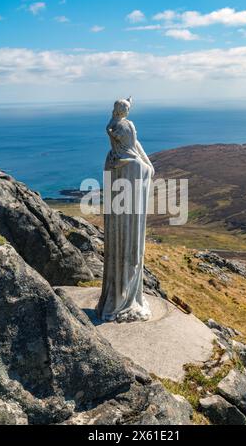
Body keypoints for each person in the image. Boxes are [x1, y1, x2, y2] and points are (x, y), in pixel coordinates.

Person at [96, 97, 154, 323]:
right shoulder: (128, 133)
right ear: (125, 111)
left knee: (119, 238)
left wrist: (145, 163)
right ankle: (127, 300)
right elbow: (135, 147)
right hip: (132, 171)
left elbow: (132, 146)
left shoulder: (110, 158)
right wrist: (148, 166)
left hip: (119, 169)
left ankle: (114, 298)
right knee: (131, 242)